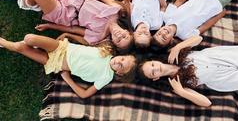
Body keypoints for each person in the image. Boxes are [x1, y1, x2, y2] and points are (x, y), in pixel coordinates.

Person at [0, 0, 133, 51]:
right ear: (128, 32)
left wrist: (49, 26)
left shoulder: (98, 36)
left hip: (64, 14)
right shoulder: (118, 11)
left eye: (118, 40)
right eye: (124, 36)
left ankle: (32, 3)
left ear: (113, 42)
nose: (119, 35)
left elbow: (73, 29)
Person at [139, 45, 238, 107]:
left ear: (154, 60)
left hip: (218, 57)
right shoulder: (175, 85)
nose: (156, 68)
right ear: (155, 78)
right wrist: (182, 92)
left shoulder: (171, 54)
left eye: (152, 65)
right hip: (222, 78)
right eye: (153, 72)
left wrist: (179, 46)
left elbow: (198, 38)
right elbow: (206, 103)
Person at [0, 34, 137, 98]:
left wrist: (67, 79)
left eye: (121, 66)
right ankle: (34, 45)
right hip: (61, 47)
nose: (118, 62)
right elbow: (86, 43)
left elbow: (84, 94)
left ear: (120, 73)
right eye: (122, 59)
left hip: (55, 63)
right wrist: (68, 34)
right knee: (29, 38)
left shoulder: (106, 77)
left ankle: (4, 42)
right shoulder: (107, 50)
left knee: (18, 46)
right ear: (121, 55)